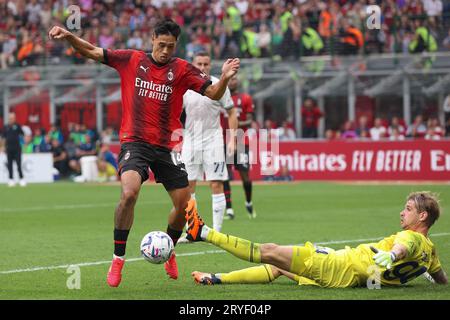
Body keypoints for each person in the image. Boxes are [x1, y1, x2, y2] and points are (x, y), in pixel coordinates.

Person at [49, 19, 240, 287]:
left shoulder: (183, 69)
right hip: (135, 142)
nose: (165, 50)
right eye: (161, 45)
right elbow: (92, 51)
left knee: (184, 206)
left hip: (167, 147)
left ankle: (169, 249)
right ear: (152, 39)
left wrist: (226, 77)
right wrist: (69, 36)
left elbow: (213, 93)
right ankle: (118, 259)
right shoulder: (131, 60)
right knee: (129, 193)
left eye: (170, 46)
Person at [184, 192, 448, 288]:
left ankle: (203, 232)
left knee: (268, 251)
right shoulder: (431, 251)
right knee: (278, 266)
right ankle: (216, 278)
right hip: (350, 276)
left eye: (409, 209)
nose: (402, 212)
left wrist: (393, 254)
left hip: (338, 266)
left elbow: (404, 246)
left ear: (422, 216)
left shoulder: (411, 237)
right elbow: (439, 277)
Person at [181, 51, 238, 235]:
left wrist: (232, 139)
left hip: (213, 140)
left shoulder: (218, 84)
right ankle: (192, 230)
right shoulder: (185, 86)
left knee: (216, 183)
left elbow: (231, 111)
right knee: (188, 186)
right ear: (193, 64)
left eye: (206, 64)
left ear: (210, 65)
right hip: (190, 140)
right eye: (199, 64)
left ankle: (218, 232)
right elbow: (174, 113)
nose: (203, 67)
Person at [222, 75, 256, 220]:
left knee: (245, 177)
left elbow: (249, 120)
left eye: (234, 79)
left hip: (241, 140)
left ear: (238, 81)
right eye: (229, 79)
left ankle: (248, 202)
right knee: (224, 175)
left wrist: (233, 125)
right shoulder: (219, 98)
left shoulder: (245, 98)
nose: (232, 81)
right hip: (223, 140)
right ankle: (229, 209)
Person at [1, 113, 26, 187]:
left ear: (15, 118)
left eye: (13, 118)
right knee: (10, 165)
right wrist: (2, 146)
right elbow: (3, 138)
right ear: (9, 119)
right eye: (10, 118)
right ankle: (11, 179)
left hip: (17, 149)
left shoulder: (17, 126)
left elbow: (22, 135)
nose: (12, 119)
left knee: (18, 164)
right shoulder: (6, 127)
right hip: (9, 149)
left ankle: (21, 179)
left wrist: (24, 144)